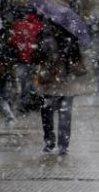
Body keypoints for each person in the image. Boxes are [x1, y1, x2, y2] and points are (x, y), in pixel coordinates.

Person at [34, 21, 92, 155]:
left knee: (48, 113)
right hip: (63, 83)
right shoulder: (71, 37)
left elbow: (35, 56)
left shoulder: (44, 36)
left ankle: (50, 142)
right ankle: (62, 144)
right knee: (63, 114)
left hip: (51, 82)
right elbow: (77, 60)